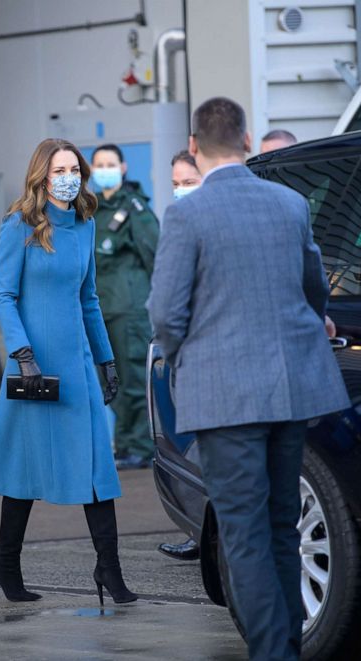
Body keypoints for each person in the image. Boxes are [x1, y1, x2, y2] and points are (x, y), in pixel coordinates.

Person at [148, 98, 349, 660]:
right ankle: (285, 646)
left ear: (194, 147)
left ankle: (274, 655)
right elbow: (315, 287)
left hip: (224, 397)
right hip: (289, 390)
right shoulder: (290, 204)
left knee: (244, 535)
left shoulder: (186, 215)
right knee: (282, 525)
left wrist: (185, 356)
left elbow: (165, 314)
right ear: (246, 139)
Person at [0, 138, 136, 606]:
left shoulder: (85, 224)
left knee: (95, 467)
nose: (68, 177)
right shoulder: (18, 225)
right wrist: (23, 354)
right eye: (59, 170)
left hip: (78, 364)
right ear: (41, 178)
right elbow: (4, 296)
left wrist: (106, 359)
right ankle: (6, 563)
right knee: (24, 468)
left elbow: (89, 298)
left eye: (74, 169)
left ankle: (109, 569)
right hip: (34, 366)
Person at [89, 144, 160, 471]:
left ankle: (142, 446)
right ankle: (126, 444)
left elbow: (155, 258)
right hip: (101, 311)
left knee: (133, 379)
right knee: (112, 381)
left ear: (123, 167)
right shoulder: (90, 210)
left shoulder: (135, 208)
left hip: (130, 309)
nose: (105, 168)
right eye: (99, 164)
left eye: (110, 163)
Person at [155, 150, 203, 563]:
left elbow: (165, 309)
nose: (180, 189)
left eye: (189, 180)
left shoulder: (190, 224)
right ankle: (199, 531)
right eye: (177, 181)